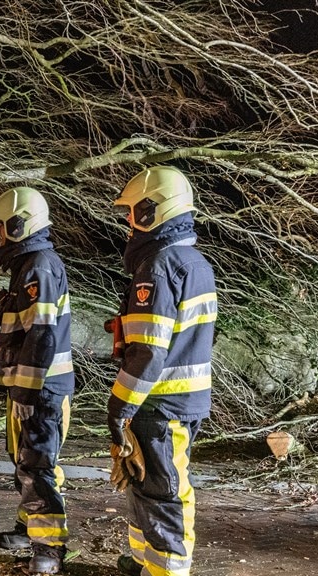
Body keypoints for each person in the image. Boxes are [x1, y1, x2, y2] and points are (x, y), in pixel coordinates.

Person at [108, 166, 216, 576]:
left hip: (158, 404)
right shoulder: (194, 262)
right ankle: (143, 561)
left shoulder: (158, 266)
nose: (128, 221)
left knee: (163, 495)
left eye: (133, 211)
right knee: (146, 487)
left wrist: (119, 407)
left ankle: (166, 569)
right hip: (181, 402)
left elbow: (148, 353)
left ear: (153, 210)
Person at [0, 187, 74, 574]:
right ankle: (29, 529)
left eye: (2, 226)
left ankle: (49, 550)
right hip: (31, 387)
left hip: (42, 390)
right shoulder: (30, 266)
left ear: (19, 225)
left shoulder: (39, 266)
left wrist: (26, 390)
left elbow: (42, 335)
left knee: (37, 466)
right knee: (26, 462)